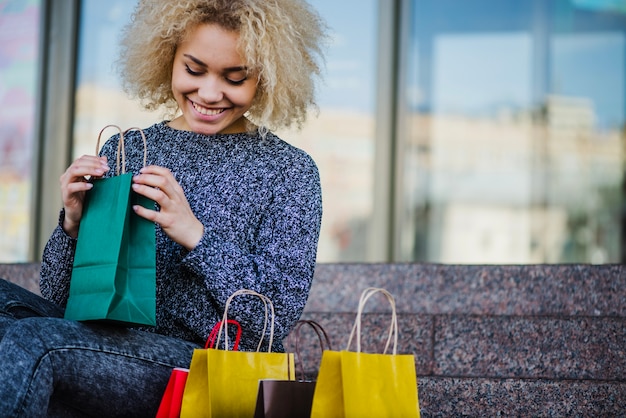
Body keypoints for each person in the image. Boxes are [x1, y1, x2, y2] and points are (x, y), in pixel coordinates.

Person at [0, 0, 327, 415]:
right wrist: (74, 225)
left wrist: (195, 235)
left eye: (235, 77)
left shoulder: (289, 171)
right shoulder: (129, 147)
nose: (209, 92)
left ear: (268, 77)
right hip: (101, 341)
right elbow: (62, 300)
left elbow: (275, 315)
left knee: (35, 343)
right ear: (166, 57)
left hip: (202, 363)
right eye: (194, 70)